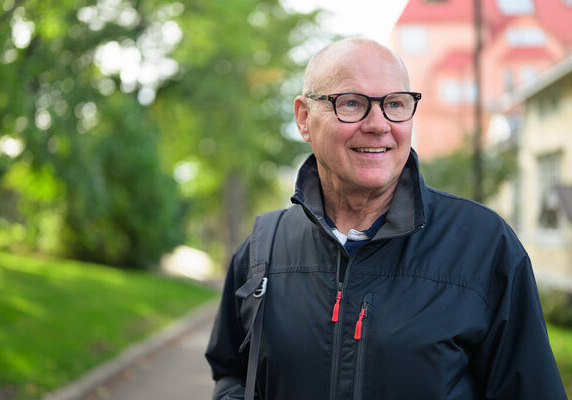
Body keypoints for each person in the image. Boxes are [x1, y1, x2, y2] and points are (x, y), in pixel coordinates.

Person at [205, 38, 567, 400]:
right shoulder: (263, 247)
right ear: (304, 118)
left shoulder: (484, 245)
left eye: (395, 104)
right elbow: (232, 373)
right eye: (351, 103)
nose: (379, 124)